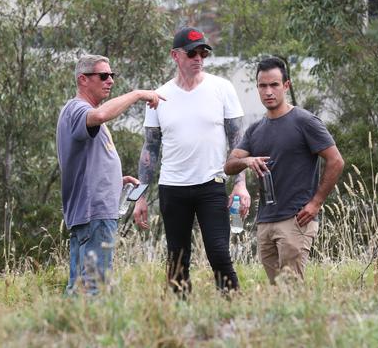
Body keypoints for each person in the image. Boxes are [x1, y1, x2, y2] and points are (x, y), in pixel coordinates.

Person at [133, 27, 249, 294]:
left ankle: (233, 307)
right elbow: (150, 148)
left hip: (212, 183)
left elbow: (238, 143)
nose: (199, 58)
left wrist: (240, 185)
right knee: (177, 259)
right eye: (192, 53)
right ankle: (180, 314)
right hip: (172, 186)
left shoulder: (222, 88)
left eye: (203, 53)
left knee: (219, 252)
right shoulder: (159, 96)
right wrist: (139, 196)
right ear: (175, 55)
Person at [224, 57, 345, 284]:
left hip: (296, 219)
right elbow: (229, 165)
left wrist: (316, 203)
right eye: (262, 86)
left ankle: (307, 319)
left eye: (274, 85)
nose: (268, 91)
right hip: (265, 221)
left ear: (286, 86)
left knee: (291, 288)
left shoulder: (305, 121)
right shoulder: (255, 130)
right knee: (277, 290)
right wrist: (247, 160)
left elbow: (336, 161)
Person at [56, 54, 164, 295]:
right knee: (95, 287)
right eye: (103, 76)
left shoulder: (82, 113)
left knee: (79, 287)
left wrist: (117, 181)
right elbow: (101, 115)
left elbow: (86, 160)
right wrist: (138, 94)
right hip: (93, 212)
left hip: (92, 212)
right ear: (83, 79)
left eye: (112, 75)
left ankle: (68, 329)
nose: (110, 81)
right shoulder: (78, 109)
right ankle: (90, 330)